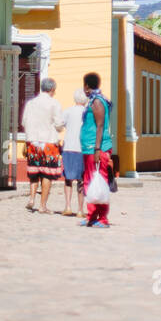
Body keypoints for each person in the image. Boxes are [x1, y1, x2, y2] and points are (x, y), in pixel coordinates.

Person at [22, 77, 65, 213]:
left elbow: (24, 121)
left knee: (34, 172)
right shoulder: (54, 104)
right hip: (48, 142)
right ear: (52, 89)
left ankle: (31, 199)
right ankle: (42, 206)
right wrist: (60, 128)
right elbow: (59, 124)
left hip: (33, 142)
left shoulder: (31, 103)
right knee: (47, 174)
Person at [80, 71, 114, 228]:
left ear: (87, 85)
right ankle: (92, 215)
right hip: (90, 147)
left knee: (98, 182)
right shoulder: (95, 100)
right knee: (91, 181)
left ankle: (102, 218)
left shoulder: (97, 102)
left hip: (96, 148)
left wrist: (97, 149)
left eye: (84, 85)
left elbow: (100, 125)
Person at [60, 88, 87, 217]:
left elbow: (59, 124)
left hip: (69, 147)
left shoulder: (68, 111)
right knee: (81, 179)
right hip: (83, 149)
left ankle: (68, 206)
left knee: (68, 179)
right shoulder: (88, 113)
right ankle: (80, 210)